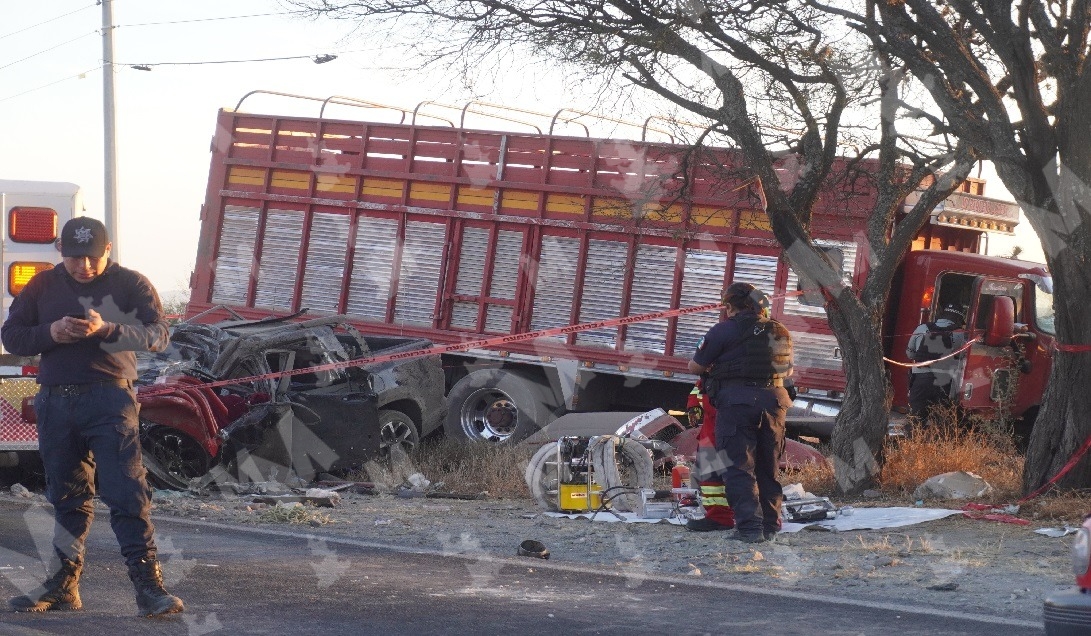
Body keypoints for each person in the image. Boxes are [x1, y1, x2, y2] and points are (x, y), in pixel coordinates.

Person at [2, 217, 183, 617]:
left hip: (109, 401)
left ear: (108, 249)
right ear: (59, 253)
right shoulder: (42, 285)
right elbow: (11, 335)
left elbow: (158, 335)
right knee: (66, 496)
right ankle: (64, 585)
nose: (83, 265)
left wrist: (107, 330)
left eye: (91, 256)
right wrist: (50, 332)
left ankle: (150, 589)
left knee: (125, 493)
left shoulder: (130, 283)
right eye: (73, 257)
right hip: (54, 402)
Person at [688, 282, 793, 544]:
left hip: (737, 403)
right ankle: (770, 525)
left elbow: (695, 367)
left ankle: (749, 528)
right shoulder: (780, 330)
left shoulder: (723, 330)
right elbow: (788, 371)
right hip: (775, 403)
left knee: (738, 466)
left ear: (729, 306)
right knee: (768, 467)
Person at [905, 304, 968, 424]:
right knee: (940, 421)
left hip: (920, 380)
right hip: (944, 383)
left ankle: (914, 440)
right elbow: (963, 359)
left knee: (916, 419)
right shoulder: (960, 334)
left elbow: (910, 354)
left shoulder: (922, 328)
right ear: (958, 319)